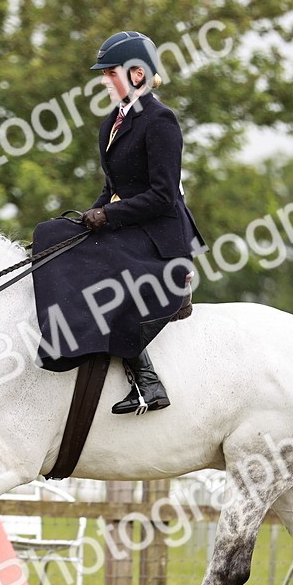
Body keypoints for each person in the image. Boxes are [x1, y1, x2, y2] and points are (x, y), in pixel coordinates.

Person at [80, 31, 205, 414]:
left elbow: (163, 195)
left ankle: (148, 385)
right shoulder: (110, 124)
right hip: (131, 226)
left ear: (136, 75)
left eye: (109, 73)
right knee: (59, 240)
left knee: (106, 292)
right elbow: (113, 186)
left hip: (161, 237)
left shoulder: (160, 121)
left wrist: (109, 215)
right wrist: (89, 216)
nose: (103, 80)